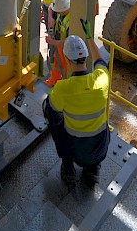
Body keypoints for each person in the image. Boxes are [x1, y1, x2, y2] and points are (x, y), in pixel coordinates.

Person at [43, 34, 110, 185]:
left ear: (67, 60)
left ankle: (68, 169)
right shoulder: (102, 79)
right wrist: (89, 39)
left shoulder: (63, 88)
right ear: (86, 57)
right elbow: (101, 62)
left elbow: (51, 109)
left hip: (75, 150)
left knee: (50, 110)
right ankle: (93, 171)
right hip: (100, 148)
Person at [45, 0, 71, 87]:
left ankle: (64, 86)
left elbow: (68, 43)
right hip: (58, 43)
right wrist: (50, 17)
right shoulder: (61, 5)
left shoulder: (72, 21)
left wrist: (52, 42)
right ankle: (54, 80)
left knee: (66, 68)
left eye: (59, 12)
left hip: (65, 49)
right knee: (56, 65)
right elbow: (50, 8)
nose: (58, 13)